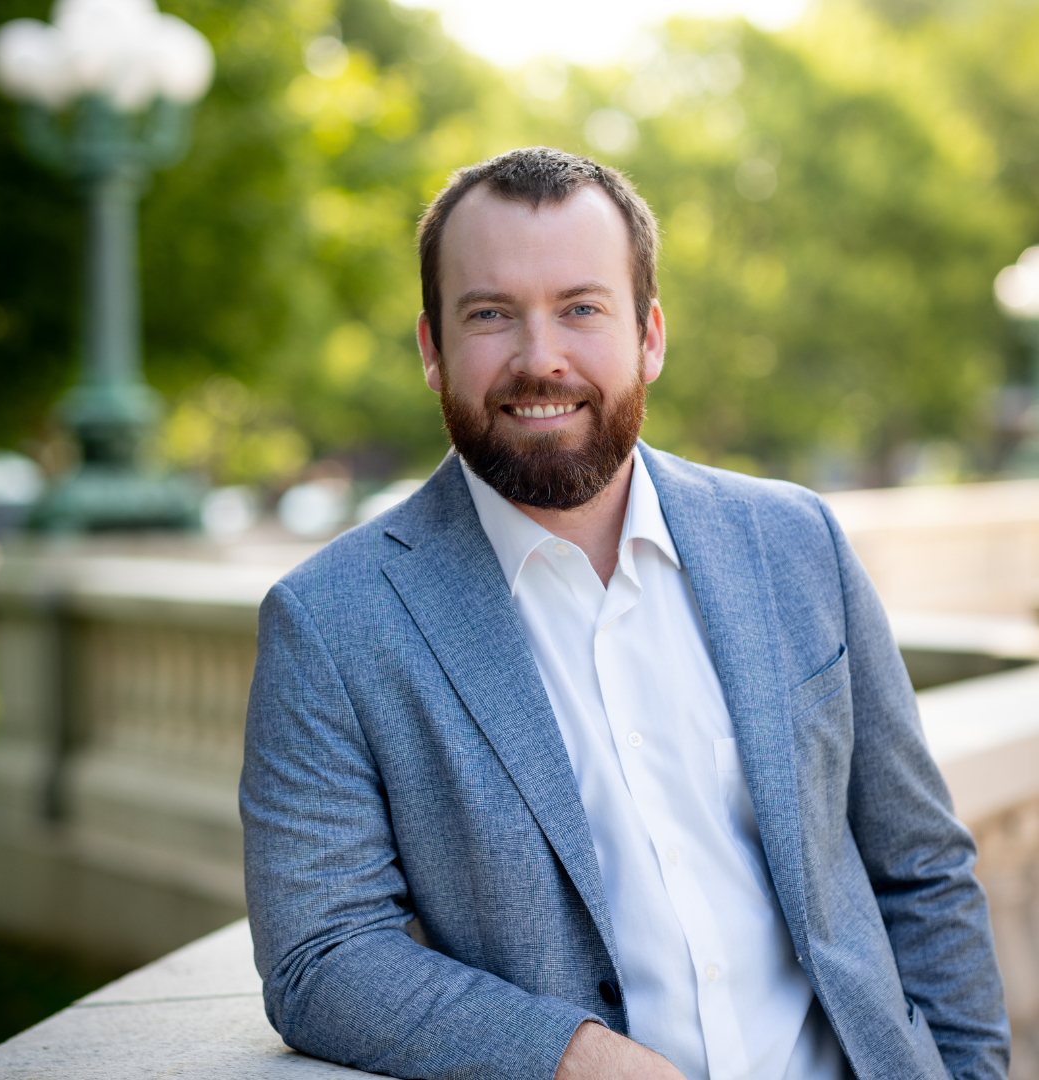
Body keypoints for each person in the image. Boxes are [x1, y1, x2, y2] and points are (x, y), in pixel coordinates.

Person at [240, 147, 1009, 1080]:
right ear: (432, 350)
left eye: (581, 308)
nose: (540, 359)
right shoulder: (332, 623)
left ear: (649, 335)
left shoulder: (795, 543)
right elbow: (320, 955)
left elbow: (919, 866)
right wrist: (574, 1058)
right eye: (490, 315)